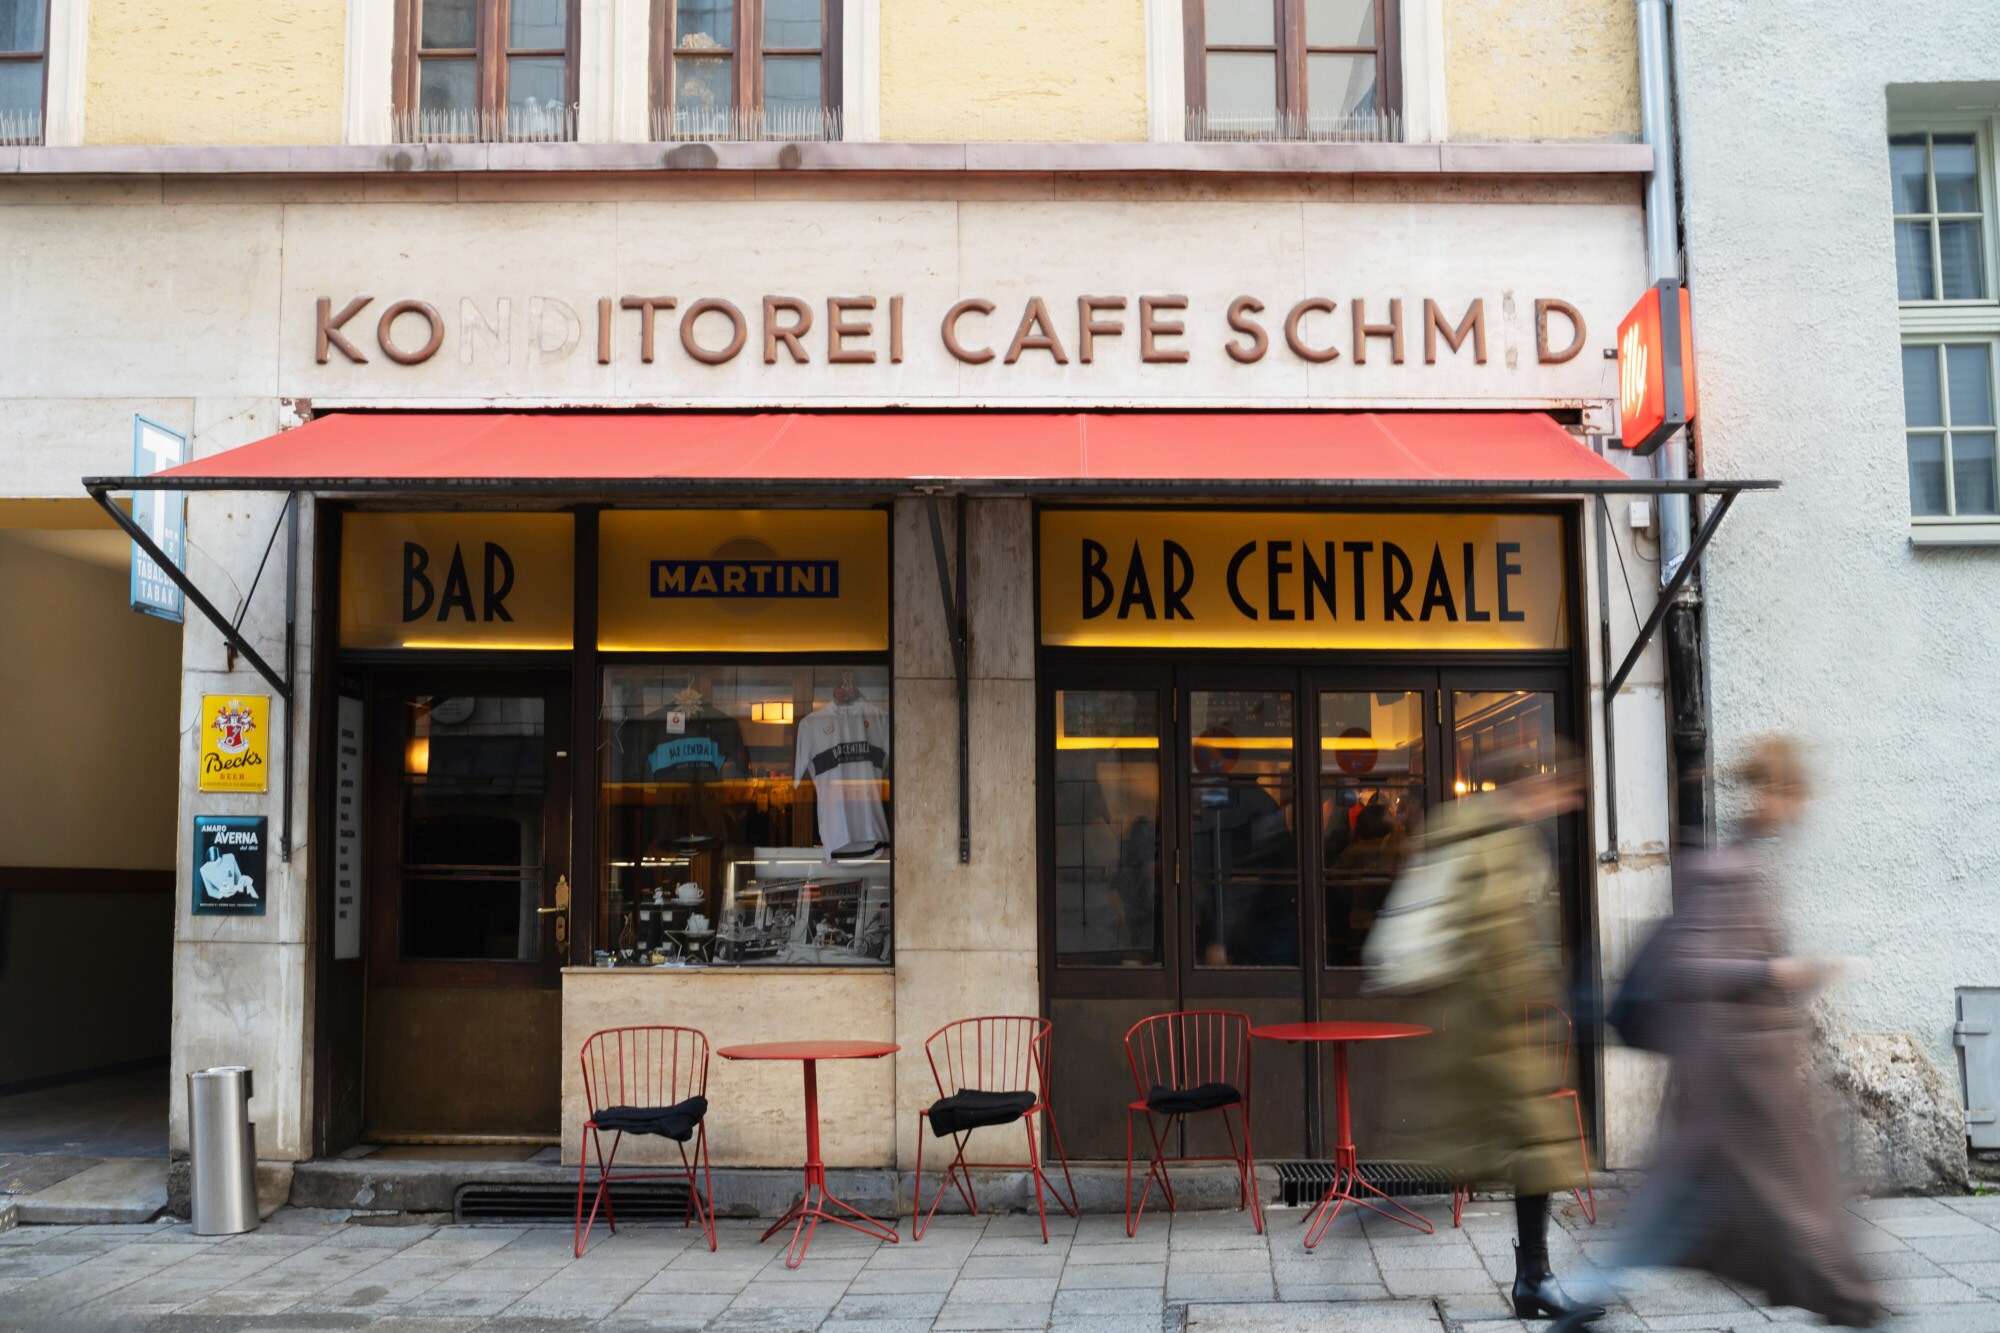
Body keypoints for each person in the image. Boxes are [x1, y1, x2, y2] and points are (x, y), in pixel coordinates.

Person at [1553, 737, 1883, 1331]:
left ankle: (1583, 1296)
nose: (1801, 810)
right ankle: (1849, 1304)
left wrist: (1788, 982)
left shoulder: (1745, 861)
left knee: (1680, 1213)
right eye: (1796, 796)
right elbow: (1691, 968)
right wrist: (1778, 972)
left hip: (1738, 1087)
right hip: (1731, 1088)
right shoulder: (1724, 868)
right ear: (1775, 794)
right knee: (1752, 1211)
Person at [1406, 744, 1598, 1321]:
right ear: (1532, 788)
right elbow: (1490, 938)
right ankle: (1531, 1278)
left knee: (1530, 1150)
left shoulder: (1508, 841)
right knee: (1514, 1147)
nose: (1565, 800)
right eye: (1561, 789)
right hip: (1485, 1032)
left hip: (1503, 1028)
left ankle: (1533, 1277)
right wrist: (1525, 989)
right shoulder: (1489, 843)